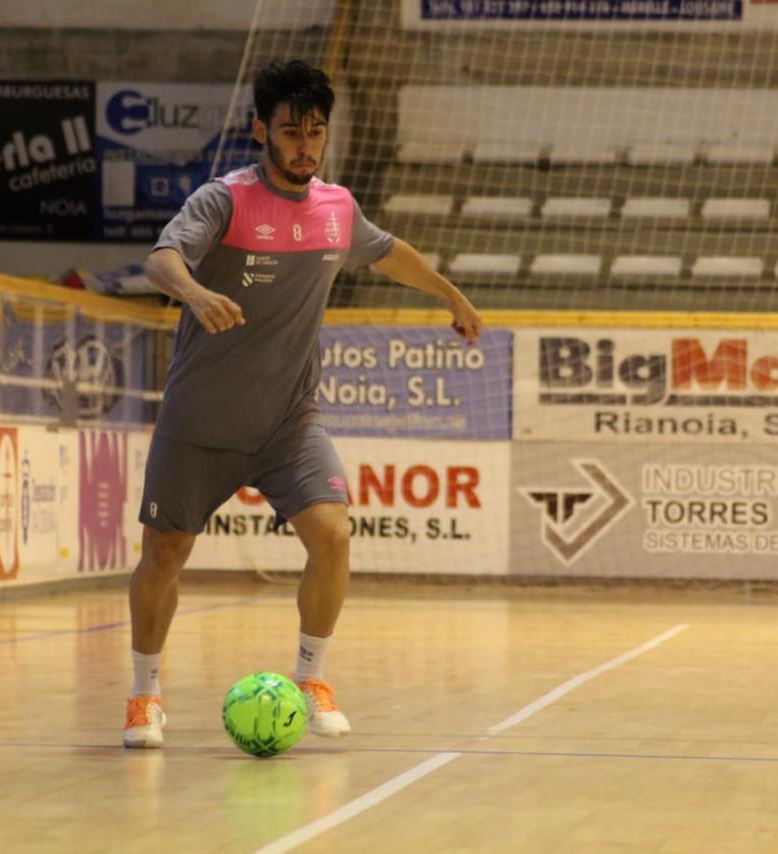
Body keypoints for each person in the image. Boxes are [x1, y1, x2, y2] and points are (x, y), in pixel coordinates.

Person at [124, 59, 483, 749]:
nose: (305, 145)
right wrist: (196, 293)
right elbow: (160, 261)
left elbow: (388, 252)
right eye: (291, 131)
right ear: (261, 130)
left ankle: (313, 678)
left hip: (290, 422)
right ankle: (145, 695)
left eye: (315, 132)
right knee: (164, 555)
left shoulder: (336, 208)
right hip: (199, 424)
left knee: (333, 536)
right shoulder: (222, 201)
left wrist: (451, 294)